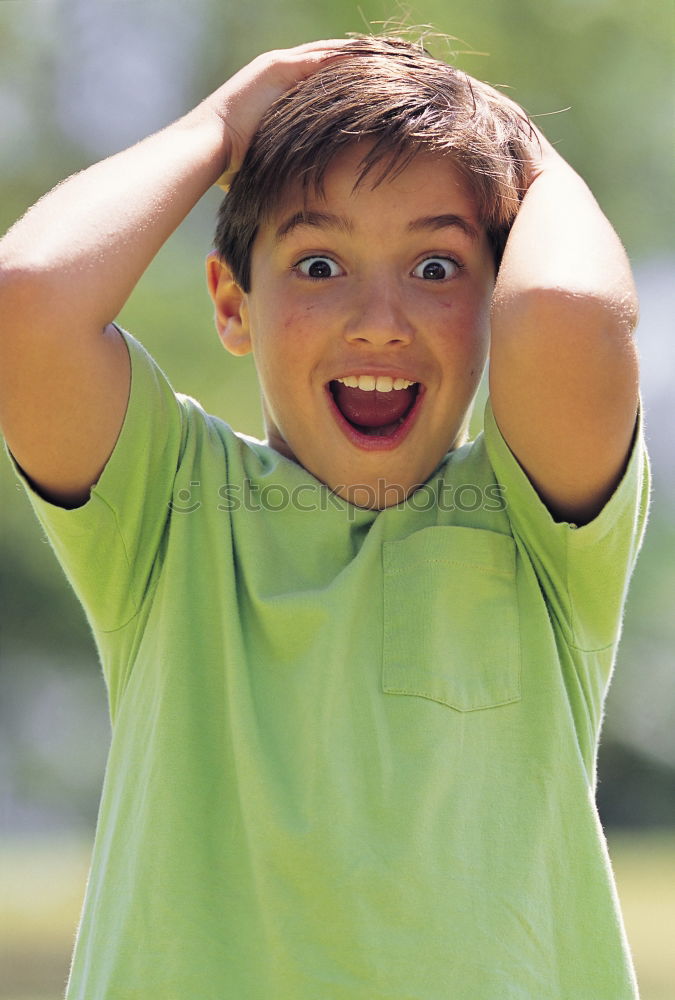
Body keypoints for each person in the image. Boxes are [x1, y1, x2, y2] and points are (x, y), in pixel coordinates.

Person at [0, 34, 649, 1000]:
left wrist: (523, 150)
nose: (378, 319)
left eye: (436, 268)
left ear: (492, 304)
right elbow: (28, 300)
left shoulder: (535, 524)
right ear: (233, 304)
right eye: (316, 266)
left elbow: (569, 310)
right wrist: (220, 125)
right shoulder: (169, 510)